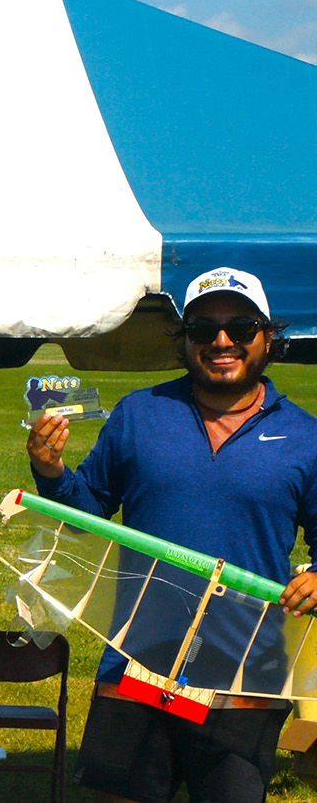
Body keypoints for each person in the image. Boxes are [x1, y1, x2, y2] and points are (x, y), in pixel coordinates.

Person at [27, 265, 317, 803]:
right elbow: (87, 507)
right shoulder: (140, 414)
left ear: (268, 337)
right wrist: (51, 472)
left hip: (244, 676)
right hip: (139, 663)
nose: (222, 341)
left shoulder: (305, 436)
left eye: (242, 327)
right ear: (184, 341)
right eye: (203, 330)